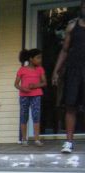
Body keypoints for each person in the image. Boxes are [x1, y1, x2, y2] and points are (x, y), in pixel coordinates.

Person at [51, 0, 85, 154]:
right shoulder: (72, 26)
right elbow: (64, 50)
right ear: (81, 8)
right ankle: (69, 142)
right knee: (70, 106)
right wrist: (56, 71)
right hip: (74, 71)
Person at [15, 48, 47, 146]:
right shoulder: (22, 70)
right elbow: (16, 84)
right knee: (24, 116)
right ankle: (24, 139)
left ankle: (37, 139)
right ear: (31, 59)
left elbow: (44, 83)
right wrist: (23, 89)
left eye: (40, 58)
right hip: (24, 96)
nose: (40, 60)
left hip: (36, 95)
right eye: (38, 58)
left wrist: (35, 86)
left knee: (36, 116)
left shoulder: (40, 69)